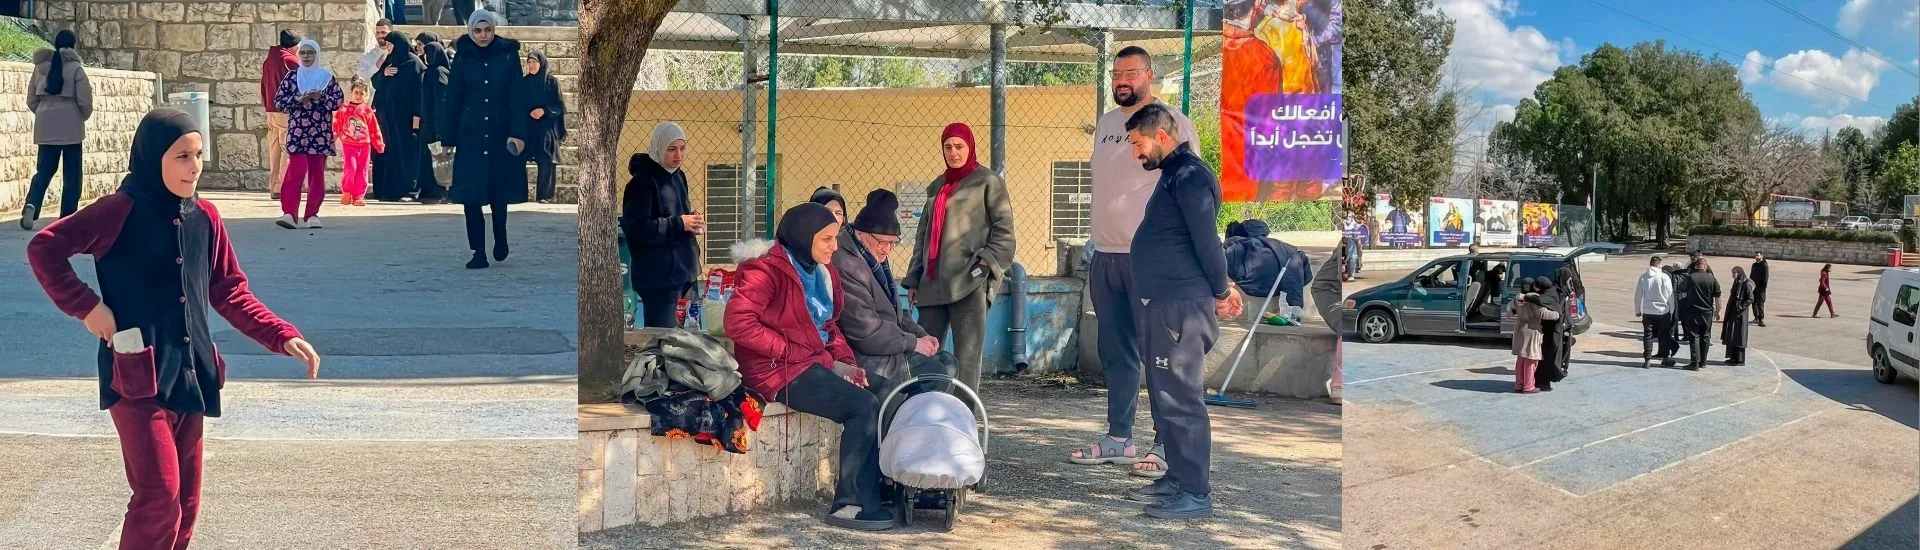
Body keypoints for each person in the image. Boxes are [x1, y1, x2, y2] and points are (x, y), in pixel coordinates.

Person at [25, 108, 323, 550]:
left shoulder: (206, 216)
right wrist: (88, 308)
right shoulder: (118, 210)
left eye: (199, 154)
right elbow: (44, 247)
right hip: (137, 379)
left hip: (193, 375)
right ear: (154, 158)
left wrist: (280, 334)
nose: (195, 166)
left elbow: (229, 291)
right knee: (158, 497)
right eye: (182, 156)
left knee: (186, 500)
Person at [1068, 45, 1201, 475]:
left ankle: (1165, 444)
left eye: (1130, 72)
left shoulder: (1174, 123)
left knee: (1159, 354)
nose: (1121, 79)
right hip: (1105, 257)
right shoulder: (1108, 123)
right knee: (1116, 351)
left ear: (1149, 75)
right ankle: (1119, 438)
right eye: (1115, 72)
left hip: (1149, 262)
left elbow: (1190, 188)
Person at [725, 203, 896, 531]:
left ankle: (882, 487)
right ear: (804, 238)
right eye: (827, 239)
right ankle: (850, 504)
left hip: (814, 360)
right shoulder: (765, 268)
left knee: (889, 393)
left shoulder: (824, 271)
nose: (835, 246)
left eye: (836, 238)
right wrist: (786, 349)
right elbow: (738, 322)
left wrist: (846, 364)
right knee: (862, 405)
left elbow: (829, 327)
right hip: (776, 368)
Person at [1122, 103, 1242, 520]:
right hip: (1165, 304)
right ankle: (1175, 478)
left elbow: (1206, 240)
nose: (1136, 153)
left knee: (1180, 397)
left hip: (1181, 306)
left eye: (1139, 144)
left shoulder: (1190, 176)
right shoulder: (1173, 174)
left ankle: (1195, 491)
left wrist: (1222, 288)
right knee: (1162, 394)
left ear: (1162, 136)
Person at [903, 122, 1015, 394]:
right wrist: (914, 278)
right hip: (932, 285)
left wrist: (984, 266)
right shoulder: (936, 187)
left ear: (970, 147)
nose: (954, 152)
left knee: (967, 359)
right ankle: (924, 414)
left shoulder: (987, 182)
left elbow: (1005, 232)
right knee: (925, 353)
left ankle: (963, 420)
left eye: (959, 146)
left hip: (969, 282)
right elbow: (923, 237)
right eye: (948, 147)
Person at [443, 10, 528, 269]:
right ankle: (477, 251)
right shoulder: (463, 56)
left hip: (500, 133)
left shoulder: (507, 54)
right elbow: (454, 96)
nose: (483, 36)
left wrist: (519, 132)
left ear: (493, 29)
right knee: (471, 196)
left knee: (498, 193)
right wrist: (447, 136)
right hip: (471, 134)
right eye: (478, 31)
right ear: (471, 31)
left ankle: (500, 239)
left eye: (487, 30)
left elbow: (517, 95)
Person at [832, 189, 940, 386]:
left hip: (887, 347)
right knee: (937, 373)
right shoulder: (845, 263)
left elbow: (896, 313)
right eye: (882, 242)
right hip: (864, 356)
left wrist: (921, 334)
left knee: (946, 363)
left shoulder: (872, 255)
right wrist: (914, 343)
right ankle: (906, 417)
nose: (887, 249)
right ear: (861, 233)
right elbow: (865, 332)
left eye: (893, 243)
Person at [621, 123, 700, 328]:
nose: (679, 155)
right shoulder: (642, 183)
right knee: (663, 341)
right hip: (659, 279)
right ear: (659, 147)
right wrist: (679, 223)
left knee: (690, 339)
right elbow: (636, 229)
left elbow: (677, 216)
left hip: (685, 271)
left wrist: (692, 221)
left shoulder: (678, 176)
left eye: (683, 148)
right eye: (672, 149)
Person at [19, 30, 91, 230]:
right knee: (72, 174)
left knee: (44, 171)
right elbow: (85, 100)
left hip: (45, 126)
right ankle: (67, 216)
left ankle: (32, 204)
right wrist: (80, 116)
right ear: (73, 45)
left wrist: (43, 114)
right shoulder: (76, 69)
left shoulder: (40, 68)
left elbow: (31, 99)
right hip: (71, 128)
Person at [273, 39, 344, 230]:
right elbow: (279, 102)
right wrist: (299, 98)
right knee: (295, 171)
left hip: (320, 133)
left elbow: (338, 102)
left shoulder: (326, 78)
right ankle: (289, 213)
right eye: (303, 53)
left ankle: (312, 214)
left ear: (317, 55)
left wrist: (321, 97)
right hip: (298, 132)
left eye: (310, 53)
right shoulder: (292, 77)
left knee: (316, 175)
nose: (306, 57)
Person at [370, 29, 423, 202]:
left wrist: (417, 116)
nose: (388, 48)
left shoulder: (413, 63)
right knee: (388, 152)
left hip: (405, 118)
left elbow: (419, 93)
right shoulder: (390, 61)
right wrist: (383, 75)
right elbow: (376, 82)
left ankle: (408, 188)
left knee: (405, 152)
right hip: (387, 117)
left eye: (391, 44)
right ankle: (388, 190)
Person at [513, 49, 566, 203]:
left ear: (541, 63)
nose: (531, 65)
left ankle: (545, 196)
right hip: (527, 128)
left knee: (547, 160)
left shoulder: (551, 82)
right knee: (517, 158)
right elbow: (516, 105)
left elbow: (559, 106)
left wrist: (544, 111)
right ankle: (519, 195)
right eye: (529, 62)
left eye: (534, 62)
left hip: (546, 129)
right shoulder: (523, 83)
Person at [332, 78, 385, 207]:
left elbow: (374, 128)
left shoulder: (367, 111)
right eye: (356, 92)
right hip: (349, 144)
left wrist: (378, 144)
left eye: (362, 93)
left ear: (366, 95)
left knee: (362, 170)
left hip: (364, 145)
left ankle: (359, 196)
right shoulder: (343, 109)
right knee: (351, 168)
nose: (358, 96)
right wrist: (333, 136)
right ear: (351, 92)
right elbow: (336, 124)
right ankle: (347, 191)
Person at [262, 30, 300, 202]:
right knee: (287, 149)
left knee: (275, 149)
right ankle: (282, 186)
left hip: (271, 109)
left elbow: (263, 84)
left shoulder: (269, 59)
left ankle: (274, 187)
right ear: (294, 46)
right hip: (286, 111)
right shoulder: (291, 61)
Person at [414, 33, 452, 204]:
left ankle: (437, 191)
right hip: (428, 125)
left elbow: (441, 104)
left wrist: (438, 130)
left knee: (436, 160)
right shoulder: (433, 72)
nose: (425, 57)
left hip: (434, 127)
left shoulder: (438, 73)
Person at [1509, 277, 1559, 394]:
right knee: (1531, 359)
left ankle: (1519, 384)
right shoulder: (1534, 298)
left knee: (1521, 358)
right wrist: (1557, 314)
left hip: (1519, 329)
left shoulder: (1518, 297)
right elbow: (1543, 313)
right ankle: (1528, 386)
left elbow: (1510, 310)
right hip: (1532, 330)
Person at [1675, 257, 1722, 370]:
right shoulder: (1712, 278)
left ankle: (1694, 363)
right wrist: (1718, 311)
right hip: (1707, 312)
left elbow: (1681, 289)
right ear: (1705, 266)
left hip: (1693, 311)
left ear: (1696, 266)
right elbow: (1718, 295)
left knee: (1694, 336)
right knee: (1705, 336)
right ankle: (1703, 362)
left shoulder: (1690, 277)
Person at [1635, 255, 1677, 368]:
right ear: (1660, 264)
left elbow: (1638, 295)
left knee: (1648, 335)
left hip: (1648, 311)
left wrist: (1638, 310)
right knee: (1664, 335)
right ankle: (1665, 357)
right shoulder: (1664, 277)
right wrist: (1672, 310)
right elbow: (1670, 295)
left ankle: (1647, 359)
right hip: (1663, 311)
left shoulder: (1643, 277)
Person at [1723, 266, 1754, 365]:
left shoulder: (1746, 284)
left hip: (1740, 314)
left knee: (1739, 336)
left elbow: (1750, 298)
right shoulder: (1736, 283)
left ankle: (1739, 360)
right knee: (1732, 335)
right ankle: (1733, 358)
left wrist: (1741, 307)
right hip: (1733, 313)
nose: (1733, 275)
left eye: (1734, 273)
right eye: (1732, 273)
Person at [1750, 251, 1770, 327]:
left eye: (1758, 256)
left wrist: (1763, 288)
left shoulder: (1764, 265)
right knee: (1753, 303)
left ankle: (1761, 320)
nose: (1756, 257)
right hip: (1753, 287)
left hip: (1761, 288)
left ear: (1762, 256)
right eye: (1755, 256)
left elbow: (1766, 278)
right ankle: (1756, 318)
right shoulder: (1754, 265)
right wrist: (1750, 285)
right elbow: (1751, 276)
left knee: (1760, 303)